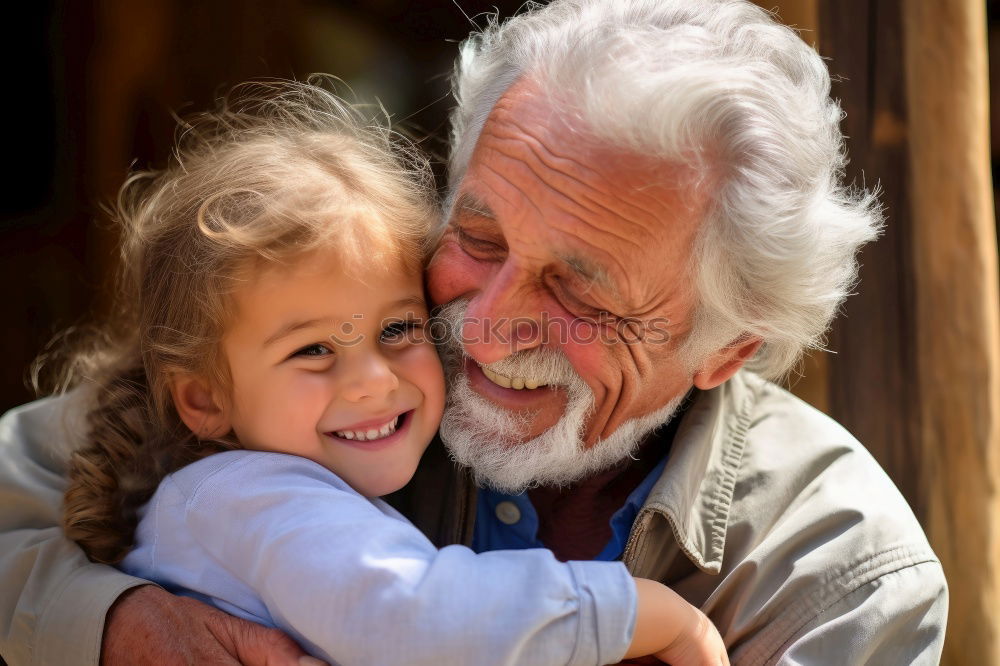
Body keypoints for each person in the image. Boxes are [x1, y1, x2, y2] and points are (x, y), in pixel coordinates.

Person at [0, 1, 947, 665]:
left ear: (725, 350)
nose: (484, 331)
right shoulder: (352, 342)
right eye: (480, 237)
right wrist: (113, 625)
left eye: (581, 293)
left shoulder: (831, 570)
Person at [40, 79, 727, 666]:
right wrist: (643, 611)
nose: (372, 380)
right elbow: (416, 617)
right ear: (203, 398)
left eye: (398, 329)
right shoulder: (254, 499)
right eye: (312, 351)